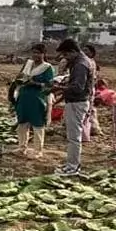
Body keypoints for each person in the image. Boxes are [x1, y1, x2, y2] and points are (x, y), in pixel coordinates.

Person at [55, 38, 91, 176]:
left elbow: (77, 87)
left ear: (73, 51)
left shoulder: (80, 64)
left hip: (77, 102)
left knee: (74, 137)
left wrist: (58, 88)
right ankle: (71, 163)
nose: (65, 57)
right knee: (72, 136)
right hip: (76, 101)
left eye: (66, 54)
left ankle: (73, 166)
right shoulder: (79, 62)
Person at [13, 43, 55, 157]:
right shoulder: (28, 64)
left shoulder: (47, 68)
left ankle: (38, 150)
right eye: (34, 52)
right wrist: (19, 80)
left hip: (37, 98)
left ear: (43, 54)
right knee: (22, 123)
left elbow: (49, 85)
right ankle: (22, 147)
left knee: (38, 124)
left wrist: (35, 83)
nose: (35, 55)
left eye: (38, 53)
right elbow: (20, 76)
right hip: (24, 96)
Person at [82, 44, 100, 142]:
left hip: (87, 90)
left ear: (92, 53)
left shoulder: (90, 63)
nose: (84, 53)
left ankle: (85, 134)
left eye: (87, 51)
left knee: (86, 112)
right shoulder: (86, 62)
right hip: (86, 89)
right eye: (83, 50)